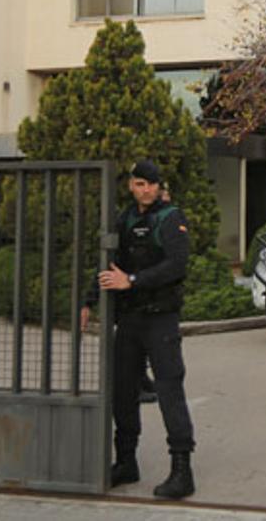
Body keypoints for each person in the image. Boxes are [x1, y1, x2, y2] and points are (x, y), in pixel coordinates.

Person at [81, 160, 196, 499]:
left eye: (151, 184)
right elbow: (109, 263)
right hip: (129, 319)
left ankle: (182, 471)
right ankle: (126, 462)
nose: (145, 190)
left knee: (169, 388)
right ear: (131, 185)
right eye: (139, 184)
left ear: (160, 186)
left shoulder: (171, 217)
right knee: (123, 391)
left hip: (160, 318)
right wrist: (89, 299)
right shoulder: (125, 218)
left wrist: (131, 281)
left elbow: (176, 265)